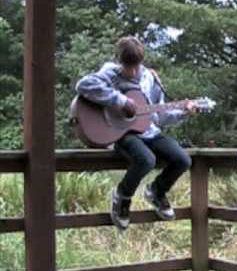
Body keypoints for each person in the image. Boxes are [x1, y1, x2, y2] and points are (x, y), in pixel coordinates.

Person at [75, 36, 195, 231]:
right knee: (146, 160)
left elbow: (160, 116)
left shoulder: (150, 78)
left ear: (141, 62)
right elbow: (83, 85)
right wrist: (121, 102)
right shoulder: (110, 72)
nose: (131, 72)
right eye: (127, 66)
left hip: (150, 132)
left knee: (183, 160)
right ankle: (122, 196)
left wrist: (184, 112)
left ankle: (156, 191)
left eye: (135, 66)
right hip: (122, 133)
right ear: (119, 61)